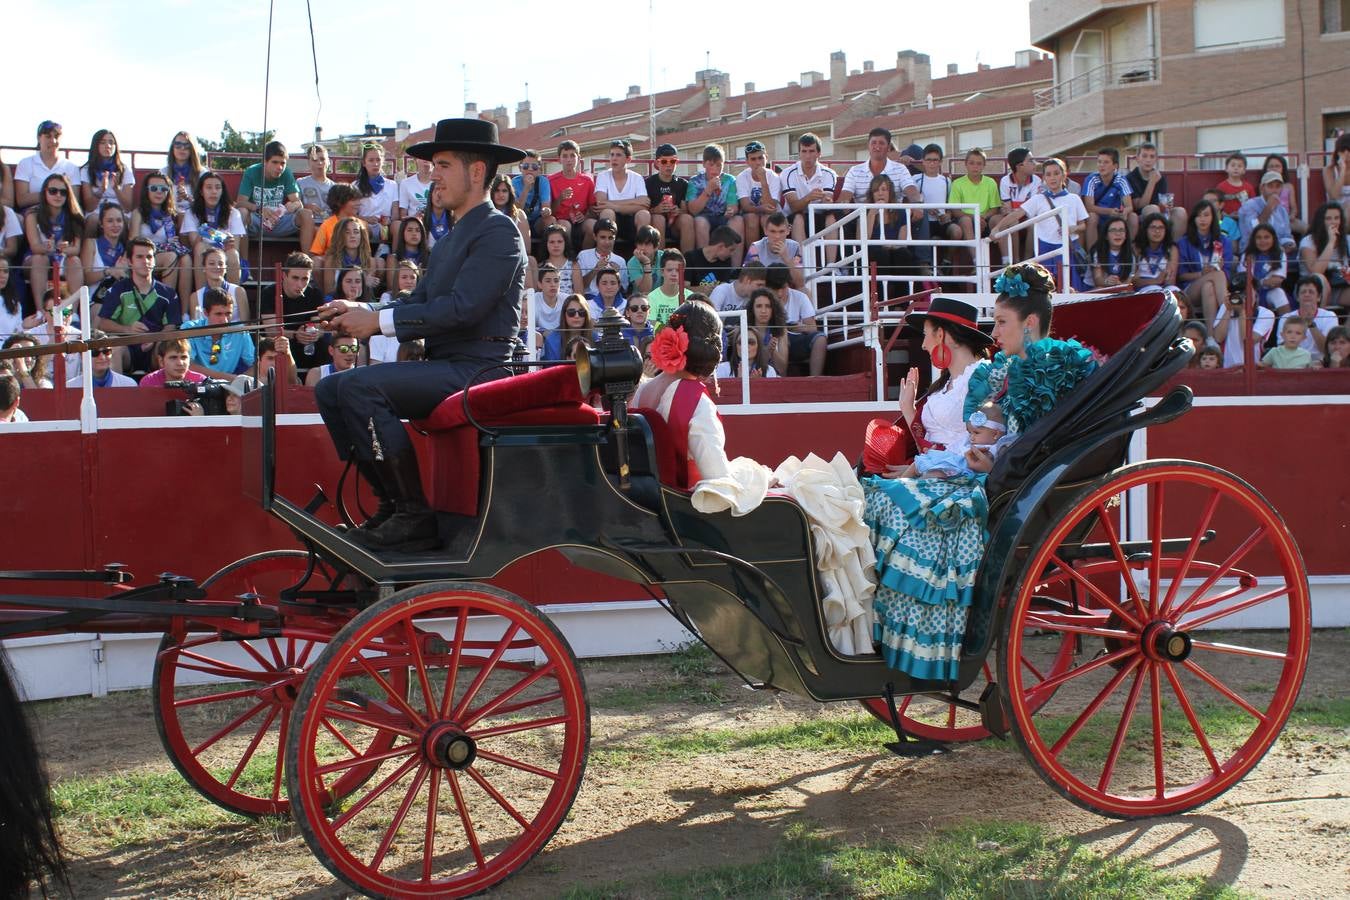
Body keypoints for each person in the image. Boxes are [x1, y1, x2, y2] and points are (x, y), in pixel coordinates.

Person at [864, 267, 1097, 680]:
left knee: (894, 501)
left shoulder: (1038, 371)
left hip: (997, 484)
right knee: (882, 496)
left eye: (1002, 322)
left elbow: (1018, 442)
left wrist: (970, 460)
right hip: (982, 472)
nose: (995, 331)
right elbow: (990, 439)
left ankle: (919, 639)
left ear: (1028, 324)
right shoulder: (1003, 375)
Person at [315, 118, 528, 551]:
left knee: (358, 389)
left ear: (476, 171)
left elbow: (462, 309)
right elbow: (419, 300)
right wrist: (363, 308)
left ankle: (414, 514)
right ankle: (393, 506)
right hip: (448, 366)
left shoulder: (499, 231)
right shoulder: (450, 239)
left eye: (443, 165)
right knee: (330, 390)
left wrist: (377, 323)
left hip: (479, 369)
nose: (433, 175)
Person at [631, 301, 876, 654]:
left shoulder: (645, 390)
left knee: (802, 485)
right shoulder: (693, 400)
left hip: (674, 502)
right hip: (702, 509)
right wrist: (763, 480)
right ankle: (842, 631)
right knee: (822, 500)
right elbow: (717, 479)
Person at [991, 157, 1087, 290]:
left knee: (1071, 288)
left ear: (1064, 175)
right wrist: (997, 228)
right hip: (1045, 248)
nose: (1052, 178)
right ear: (1044, 178)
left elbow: (1083, 225)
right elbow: (1017, 214)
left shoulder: (1074, 198)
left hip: (1068, 248)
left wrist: (1073, 229)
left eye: (1056, 173)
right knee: (1047, 289)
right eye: (1048, 174)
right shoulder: (1038, 199)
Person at [98, 237, 180, 373]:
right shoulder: (118, 289)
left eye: (149, 257)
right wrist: (128, 329)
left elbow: (171, 326)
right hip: (127, 348)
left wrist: (153, 338)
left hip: (155, 349)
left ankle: (169, 391)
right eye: (140, 257)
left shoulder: (168, 293)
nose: (145, 261)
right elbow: (103, 323)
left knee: (168, 345)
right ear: (130, 262)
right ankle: (113, 391)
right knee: (114, 345)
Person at [237, 141, 314, 250]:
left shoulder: (286, 173)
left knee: (307, 214)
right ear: (265, 161)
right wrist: (259, 209)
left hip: (280, 221)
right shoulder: (251, 172)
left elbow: (298, 202)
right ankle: (243, 264)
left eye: (283, 163)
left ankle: (308, 263)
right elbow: (240, 203)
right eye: (275, 162)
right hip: (256, 221)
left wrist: (294, 205)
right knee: (241, 213)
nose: (279, 167)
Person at [130, 172, 192, 301]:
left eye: (164, 189)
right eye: (154, 188)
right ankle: (164, 303)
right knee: (171, 257)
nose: (159, 192)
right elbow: (133, 241)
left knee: (186, 259)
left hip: (167, 252)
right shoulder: (139, 213)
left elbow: (182, 242)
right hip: (145, 255)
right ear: (146, 191)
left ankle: (185, 311)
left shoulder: (171, 214)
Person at [24, 174, 84, 306]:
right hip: (36, 258)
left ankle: (72, 314)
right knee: (40, 258)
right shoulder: (32, 214)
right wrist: (47, 247)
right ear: (44, 192)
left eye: (63, 192)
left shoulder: (74, 216)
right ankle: (41, 312)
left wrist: (62, 248)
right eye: (53, 191)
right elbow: (35, 247)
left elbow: (76, 249)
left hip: (61, 258)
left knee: (75, 260)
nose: (58, 195)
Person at [181, 172, 247, 293]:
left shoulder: (233, 213)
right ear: (201, 191)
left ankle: (232, 300)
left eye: (218, 187)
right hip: (202, 252)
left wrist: (228, 241)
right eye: (209, 187)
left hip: (225, 253)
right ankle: (202, 298)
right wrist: (204, 233)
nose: (214, 191)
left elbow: (234, 247)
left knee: (233, 254)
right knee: (200, 247)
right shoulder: (191, 212)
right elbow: (194, 245)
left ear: (222, 191)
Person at [1178, 199, 1234, 322]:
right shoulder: (1183, 242)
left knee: (1209, 286)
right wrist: (1202, 274)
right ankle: (1228, 313)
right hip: (1190, 289)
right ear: (1193, 219)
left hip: (1216, 288)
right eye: (1198, 215)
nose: (1202, 219)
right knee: (1217, 275)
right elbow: (1181, 276)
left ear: (1213, 218)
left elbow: (1228, 275)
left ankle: (1210, 336)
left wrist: (1219, 268)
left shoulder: (1224, 241)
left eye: (1206, 215)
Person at [765, 263, 826, 376]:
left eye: (783, 288)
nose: (779, 293)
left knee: (820, 339)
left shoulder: (800, 297)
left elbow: (813, 328)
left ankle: (815, 379)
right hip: (773, 339)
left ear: (788, 284)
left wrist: (800, 328)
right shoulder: (762, 300)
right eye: (775, 289)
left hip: (796, 339)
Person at [948, 149, 1001, 275]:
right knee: (966, 221)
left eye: (979, 163)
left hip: (986, 220)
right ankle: (977, 263)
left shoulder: (991, 182)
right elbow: (955, 210)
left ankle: (1006, 263)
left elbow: (995, 208)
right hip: (967, 220)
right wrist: (974, 218)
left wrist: (982, 218)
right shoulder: (957, 183)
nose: (975, 167)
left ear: (984, 165)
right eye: (972, 163)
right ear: (965, 164)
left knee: (999, 220)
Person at [686, 144, 743, 263]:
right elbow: (693, 210)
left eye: (719, 165)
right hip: (704, 217)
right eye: (711, 165)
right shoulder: (695, 182)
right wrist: (708, 190)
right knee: (700, 222)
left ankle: (735, 269)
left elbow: (733, 205)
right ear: (704, 164)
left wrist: (731, 211)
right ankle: (704, 267)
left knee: (738, 221)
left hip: (723, 217)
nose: (715, 169)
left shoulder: (730, 180)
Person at [781, 132, 838, 245]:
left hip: (818, 216)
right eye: (804, 151)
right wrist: (809, 198)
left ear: (819, 153)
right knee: (798, 217)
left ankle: (831, 263)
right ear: (799, 153)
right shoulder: (787, 173)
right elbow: (794, 207)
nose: (807, 156)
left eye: (811, 151)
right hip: (793, 218)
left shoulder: (829, 173)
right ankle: (803, 262)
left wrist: (826, 201)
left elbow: (827, 203)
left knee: (831, 217)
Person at [185, 288, 255, 379]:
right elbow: (186, 365)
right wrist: (228, 378)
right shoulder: (190, 328)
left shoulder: (240, 331)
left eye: (228, 313)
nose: (225, 320)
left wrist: (239, 381)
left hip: (229, 387)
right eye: (218, 314)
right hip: (197, 385)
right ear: (206, 313)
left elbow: (255, 364)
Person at [13, 121, 80, 212]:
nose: (53, 141)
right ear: (38, 138)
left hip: (62, 213)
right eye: (48, 136)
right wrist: (52, 194)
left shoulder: (71, 167)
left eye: (56, 137)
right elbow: (21, 200)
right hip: (34, 213)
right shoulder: (25, 163)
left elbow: (74, 200)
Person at [593, 139, 650, 244]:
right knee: (607, 212)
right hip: (612, 219)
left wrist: (615, 206)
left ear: (628, 159)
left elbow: (644, 205)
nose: (614, 158)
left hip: (632, 220)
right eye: (612, 155)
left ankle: (643, 254)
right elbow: (601, 204)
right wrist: (635, 201)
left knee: (644, 214)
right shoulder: (603, 176)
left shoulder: (637, 178)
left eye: (618, 155)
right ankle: (607, 255)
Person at [76, 129, 136, 229]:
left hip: (119, 211)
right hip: (96, 211)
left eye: (111, 143)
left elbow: (128, 207)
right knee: (93, 220)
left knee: (124, 221)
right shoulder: (87, 170)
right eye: (102, 142)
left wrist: (116, 189)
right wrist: (101, 190)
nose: (108, 146)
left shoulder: (124, 169)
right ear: (96, 146)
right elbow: (89, 207)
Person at [1128, 142, 1185, 240]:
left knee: (1180, 212)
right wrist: (1152, 182)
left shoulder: (1161, 178)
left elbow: (1162, 203)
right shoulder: (1130, 178)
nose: (1148, 160)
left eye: (1152, 157)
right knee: (1152, 209)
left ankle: (1173, 248)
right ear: (1137, 158)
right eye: (1144, 156)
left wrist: (1167, 205)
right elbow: (1139, 205)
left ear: (1156, 159)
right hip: (1139, 215)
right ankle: (1151, 249)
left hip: (1158, 212)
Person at [1082, 148, 1136, 251]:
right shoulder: (1091, 179)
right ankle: (1093, 255)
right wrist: (1109, 211)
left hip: (1116, 216)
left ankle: (1129, 253)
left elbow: (1130, 206)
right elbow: (1089, 207)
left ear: (1115, 166)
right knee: (1092, 217)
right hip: (1100, 216)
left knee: (1133, 217)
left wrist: (1124, 212)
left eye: (1106, 162)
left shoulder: (1121, 180)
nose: (1101, 165)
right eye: (1099, 162)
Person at [547, 139, 597, 250]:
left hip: (581, 221)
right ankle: (569, 258)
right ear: (559, 159)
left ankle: (583, 259)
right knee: (565, 226)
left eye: (572, 156)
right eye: (565, 156)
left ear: (578, 158)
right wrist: (560, 198)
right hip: (561, 220)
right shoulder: (551, 180)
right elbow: (549, 211)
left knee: (593, 226)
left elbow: (593, 206)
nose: (569, 160)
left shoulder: (587, 180)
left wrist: (586, 216)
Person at [1298, 202, 1349, 307]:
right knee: (1319, 277)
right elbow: (1316, 271)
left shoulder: (1347, 240)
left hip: (1339, 287)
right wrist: (1331, 242)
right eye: (1328, 218)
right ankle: (1321, 320)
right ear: (1321, 221)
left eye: (1336, 218)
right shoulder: (1308, 241)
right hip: (1311, 289)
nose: (1333, 222)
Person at [370, 262, 422, 363]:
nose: (409, 281)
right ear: (396, 279)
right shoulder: (387, 297)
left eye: (412, 277)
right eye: (404, 277)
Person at [645, 143, 692, 251]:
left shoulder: (683, 184)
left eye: (672, 161)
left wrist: (678, 211)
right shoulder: (649, 183)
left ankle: (688, 263)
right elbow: (643, 209)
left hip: (675, 225)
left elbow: (685, 210)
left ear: (677, 162)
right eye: (664, 161)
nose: (668, 165)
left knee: (687, 219)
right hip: (655, 224)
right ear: (657, 163)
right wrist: (655, 210)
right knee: (659, 218)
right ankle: (658, 263)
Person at [998, 147, 1042, 262]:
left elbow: (1032, 209)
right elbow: (1006, 209)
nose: (1035, 164)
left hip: (1029, 217)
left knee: (1033, 223)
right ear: (1019, 166)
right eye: (1031, 160)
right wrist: (1016, 210)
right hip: (1014, 218)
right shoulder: (1005, 181)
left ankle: (1027, 262)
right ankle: (1015, 262)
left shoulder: (1036, 180)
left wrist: (1015, 209)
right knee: (1013, 221)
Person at [735, 141, 783, 246]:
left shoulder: (774, 177)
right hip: (752, 214)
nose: (758, 162)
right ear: (747, 161)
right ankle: (752, 258)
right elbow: (745, 206)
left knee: (767, 218)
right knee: (751, 218)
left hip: (772, 214)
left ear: (766, 157)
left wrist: (763, 180)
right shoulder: (741, 177)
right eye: (753, 159)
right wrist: (760, 208)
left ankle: (771, 256)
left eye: (760, 158)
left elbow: (771, 206)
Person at [1238, 171, 1296, 255]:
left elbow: (1286, 235)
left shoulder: (1282, 210)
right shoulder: (1250, 205)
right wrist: (1268, 208)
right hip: (1253, 252)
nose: (1274, 190)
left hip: (1277, 252)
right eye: (1270, 186)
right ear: (1262, 188)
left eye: (1278, 186)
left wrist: (1289, 244)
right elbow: (1253, 230)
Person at [185, 246, 249, 322]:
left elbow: (246, 326)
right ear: (204, 268)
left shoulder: (239, 292)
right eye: (211, 263)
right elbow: (195, 328)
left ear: (226, 268)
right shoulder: (195, 297)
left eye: (221, 264)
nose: (217, 267)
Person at [1212, 291, 1273, 369]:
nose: (1244, 296)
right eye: (1241, 293)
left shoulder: (1265, 313)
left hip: (1252, 370)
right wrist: (1228, 310)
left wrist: (1242, 311)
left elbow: (1247, 341)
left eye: (1248, 292)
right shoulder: (1226, 307)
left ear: (1256, 294)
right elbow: (1218, 338)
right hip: (1228, 369)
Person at [354, 143, 399, 247]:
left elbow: (395, 213)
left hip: (386, 228)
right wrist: (366, 219)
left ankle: (396, 257)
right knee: (362, 227)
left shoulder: (392, 185)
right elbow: (351, 214)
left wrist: (389, 220)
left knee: (398, 226)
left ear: (382, 161)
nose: (375, 164)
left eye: (378, 160)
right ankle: (366, 258)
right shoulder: (355, 186)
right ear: (363, 163)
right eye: (371, 160)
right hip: (365, 227)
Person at [744, 212, 806, 287]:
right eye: (773, 231)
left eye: (781, 231)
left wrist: (786, 258)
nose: (777, 236)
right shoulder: (755, 247)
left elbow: (800, 283)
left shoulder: (795, 246)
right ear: (765, 230)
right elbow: (748, 280)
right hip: (764, 290)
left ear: (788, 230)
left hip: (785, 289)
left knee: (805, 291)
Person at [1278, 276, 1337, 354]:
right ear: (1298, 297)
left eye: (1311, 292)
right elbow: (1282, 349)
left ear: (1319, 297)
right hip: (1295, 361)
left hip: (1321, 363)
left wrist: (1311, 325)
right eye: (1303, 292)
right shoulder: (1286, 318)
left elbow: (1328, 350)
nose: (1307, 295)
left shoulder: (1329, 316)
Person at [321, 217, 375, 297]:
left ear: (361, 235)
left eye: (356, 232)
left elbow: (369, 296)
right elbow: (329, 292)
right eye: (347, 232)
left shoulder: (370, 261)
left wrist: (366, 285)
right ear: (340, 236)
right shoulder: (332, 260)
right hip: (338, 301)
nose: (352, 236)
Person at [1244, 224, 1290, 314]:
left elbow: (1276, 281)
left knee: (1278, 293)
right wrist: (1263, 282)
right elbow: (1245, 280)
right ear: (1254, 240)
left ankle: (1286, 325)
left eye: (1266, 237)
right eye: (1259, 238)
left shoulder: (1280, 254)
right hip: (1249, 291)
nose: (1263, 241)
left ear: (1273, 238)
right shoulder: (1247, 255)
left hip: (1268, 292)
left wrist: (1258, 282)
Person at [64, 329, 136, 387]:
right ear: (82, 355)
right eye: (95, 353)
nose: (102, 357)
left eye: (106, 351)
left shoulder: (128, 384)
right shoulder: (71, 387)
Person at [743, 287, 789, 376]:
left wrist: (773, 351)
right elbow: (746, 365)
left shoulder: (781, 330)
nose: (763, 311)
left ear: (773, 309)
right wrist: (767, 350)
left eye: (768, 306)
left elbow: (783, 370)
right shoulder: (744, 330)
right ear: (752, 309)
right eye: (759, 306)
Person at [308, 183, 362, 258]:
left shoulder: (361, 224)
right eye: (353, 200)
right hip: (333, 263)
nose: (359, 203)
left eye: (359, 200)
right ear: (339, 202)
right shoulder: (327, 225)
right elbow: (316, 253)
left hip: (357, 264)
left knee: (378, 262)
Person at [510, 150, 553, 239]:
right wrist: (526, 188)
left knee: (550, 220)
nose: (530, 169)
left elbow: (546, 207)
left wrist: (546, 211)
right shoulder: (514, 183)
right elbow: (516, 210)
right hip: (520, 221)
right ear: (520, 168)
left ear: (539, 169)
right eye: (526, 166)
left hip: (537, 222)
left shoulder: (543, 182)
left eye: (534, 167)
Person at [1131, 212, 1179, 291]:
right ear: (1146, 229)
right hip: (1142, 289)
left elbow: (1171, 280)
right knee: (1155, 290)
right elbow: (1133, 281)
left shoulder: (1172, 249)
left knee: (1175, 292)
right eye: (1153, 227)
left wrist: (1165, 279)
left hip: (1164, 287)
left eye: (1161, 228)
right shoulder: (1136, 247)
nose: (1157, 231)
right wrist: (1156, 280)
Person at [577, 219, 627, 292]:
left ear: (615, 238)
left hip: (612, 299)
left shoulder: (620, 261)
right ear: (595, 237)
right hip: (589, 298)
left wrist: (617, 275)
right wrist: (596, 269)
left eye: (610, 238)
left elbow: (624, 291)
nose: (607, 242)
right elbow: (579, 286)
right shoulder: (583, 255)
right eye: (603, 237)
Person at [162, 132, 207, 214]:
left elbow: (207, 204)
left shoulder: (202, 173)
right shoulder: (163, 173)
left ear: (192, 149)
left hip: (195, 216)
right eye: (178, 144)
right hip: (169, 216)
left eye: (187, 146)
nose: (182, 148)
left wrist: (188, 198)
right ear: (172, 148)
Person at [297, 144, 336, 235]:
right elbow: (295, 206)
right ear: (309, 162)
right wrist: (305, 206)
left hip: (328, 224)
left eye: (322, 159)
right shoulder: (300, 183)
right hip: (308, 224)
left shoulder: (334, 187)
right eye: (314, 160)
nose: (319, 163)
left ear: (328, 162)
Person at [542, 294, 594, 362]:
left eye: (581, 312)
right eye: (571, 312)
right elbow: (551, 370)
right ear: (564, 314)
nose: (577, 316)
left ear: (586, 314)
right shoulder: (552, 340)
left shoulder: (595, 337)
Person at [139, 337, 204, 388]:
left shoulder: (201, 381)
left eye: (184, 357)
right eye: (173, 357)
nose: (180, 363)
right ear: (161, 361)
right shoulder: (148, 382)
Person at [646, 253, 693, 325]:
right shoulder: (652, 297)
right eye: (669, 270)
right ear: (662, 272)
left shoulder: (690, 296)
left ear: (683, 272)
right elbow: (651, 324)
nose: (674, 274)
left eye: (677, 270)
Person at [1089, 216, 1134, 288]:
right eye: (1113, 230)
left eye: (1121, 230)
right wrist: (1107, 282)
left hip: (1119, 289)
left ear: (1126, 235)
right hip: (1096, 289)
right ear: (1106, 235)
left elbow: (1129, 280)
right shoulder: (1097, 251)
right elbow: (1097, 279)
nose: (1118, 234)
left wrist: (1119, 284)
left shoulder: (1130, 254)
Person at [386, 216, 430, 288]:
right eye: (410, 230)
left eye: (418, 230)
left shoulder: (430, 256)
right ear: (402, 232)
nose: (414, 233)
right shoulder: (393, 258)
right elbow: (391, 287)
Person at [539, 224, 582, 297]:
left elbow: (579, 294)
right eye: (552, 242)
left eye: (560, 241)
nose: (556, 245)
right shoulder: (540, 266)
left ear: (565, 243)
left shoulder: (573, 265)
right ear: (546, 244)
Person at [490, 174, 532, 248]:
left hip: (512, 255)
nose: (501, 195)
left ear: (510, 193)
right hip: (490, 255)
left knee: (531, 259)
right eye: (497, 191)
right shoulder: (483, 214)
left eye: (504, 191)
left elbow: (527, 248)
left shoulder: (519, 215)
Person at [1213, 153, 1256, 225]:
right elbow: (1216, 206)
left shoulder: (1249, 187)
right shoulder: (1221, 187)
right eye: (1233, 165)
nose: (1236, 168)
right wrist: (1227, 216)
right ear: (1226, 168)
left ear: (1244, 170)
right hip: (1225, 221)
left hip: (1244, 221)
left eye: (1239, 166)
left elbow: (1253, 206)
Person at [626, 226, 664, 295]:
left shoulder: (664, 257)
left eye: (647, 244)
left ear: (656, 247)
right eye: (640, 244)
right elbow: (645, 291)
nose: (643, 248)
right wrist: (646, 263)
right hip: (641, 302)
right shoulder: (632, 262)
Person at [398, 156, 435, 222]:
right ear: (416, 160)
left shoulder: (440, 182)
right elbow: (403, 216)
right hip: (414, 224)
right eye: (422, 156)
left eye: (428, 155)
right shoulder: (406, 183)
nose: (426, 159)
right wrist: (415, 217)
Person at [1321, 133, 1350, 208]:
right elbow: (1333, 196)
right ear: (1338, 152)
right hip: (1336, 212)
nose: (1346, 154)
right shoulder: (1329, 170)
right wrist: (1342, 170)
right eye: (1343, 150)